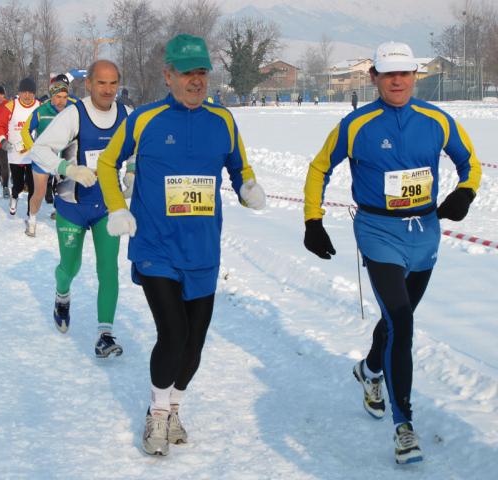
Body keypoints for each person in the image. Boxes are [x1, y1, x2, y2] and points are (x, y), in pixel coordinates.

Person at [302, 41, 482, 465]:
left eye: (404, 73)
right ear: (374, 78)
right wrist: (313, 220)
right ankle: (404, 426)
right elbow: (318, 168)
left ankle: (369, 370)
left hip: (425, 233)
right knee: (402, 321)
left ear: (415, 76)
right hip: (378, 232)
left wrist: (466, 192)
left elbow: (470, 163)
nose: (397, 81)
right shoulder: (356, 124)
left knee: (397, 319)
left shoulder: (437, 120)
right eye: (388, 74)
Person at [96, 34, 266, 456]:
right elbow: (106, 162)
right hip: (156, 247)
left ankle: (174, 408)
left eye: (202, 72)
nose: (196, 81)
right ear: (167, 75)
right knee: (172, 336)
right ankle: (155, 415)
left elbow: (238, 165)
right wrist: (117, 207)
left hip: (203, 252)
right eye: (187, 73)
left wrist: (247, 186)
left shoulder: (223, 120)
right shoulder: (145, 119)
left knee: (194, 345)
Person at [29, 60, 132, 358]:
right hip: (73, 205)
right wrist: (68, 169)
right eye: (102, 83)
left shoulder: (126, 115)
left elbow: (139, 147)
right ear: (88, 84)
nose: (108, 89)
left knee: (108, 269)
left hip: (107, 206)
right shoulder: (75, 114)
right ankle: (62, 294)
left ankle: (105, 334)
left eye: (113, 83)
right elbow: (39, 149)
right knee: (70, 267)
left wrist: (132, 172)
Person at [22, 76, 78, 236]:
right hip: (44, 158)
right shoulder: (41, 111)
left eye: (65, 97)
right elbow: (25, 131)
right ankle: (31, 220)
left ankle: (66, 220)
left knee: (67, 192)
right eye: (58, 97)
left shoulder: (74, 108)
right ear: (51, 96)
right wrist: (33, 149)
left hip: (65, 156)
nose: (62, 101)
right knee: (39, 193)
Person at [0, 77, 40, 215]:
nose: (27, 96)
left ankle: (30, 214)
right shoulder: (11, 106)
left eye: (30, 93)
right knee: (19, 185)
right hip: (15, 152)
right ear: (19, 93)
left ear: (34, 93)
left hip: (33, 153)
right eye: (24, 92)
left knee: (33, 186)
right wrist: (3, 140)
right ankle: (14, 197)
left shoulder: (40, 105)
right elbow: (1, 125)